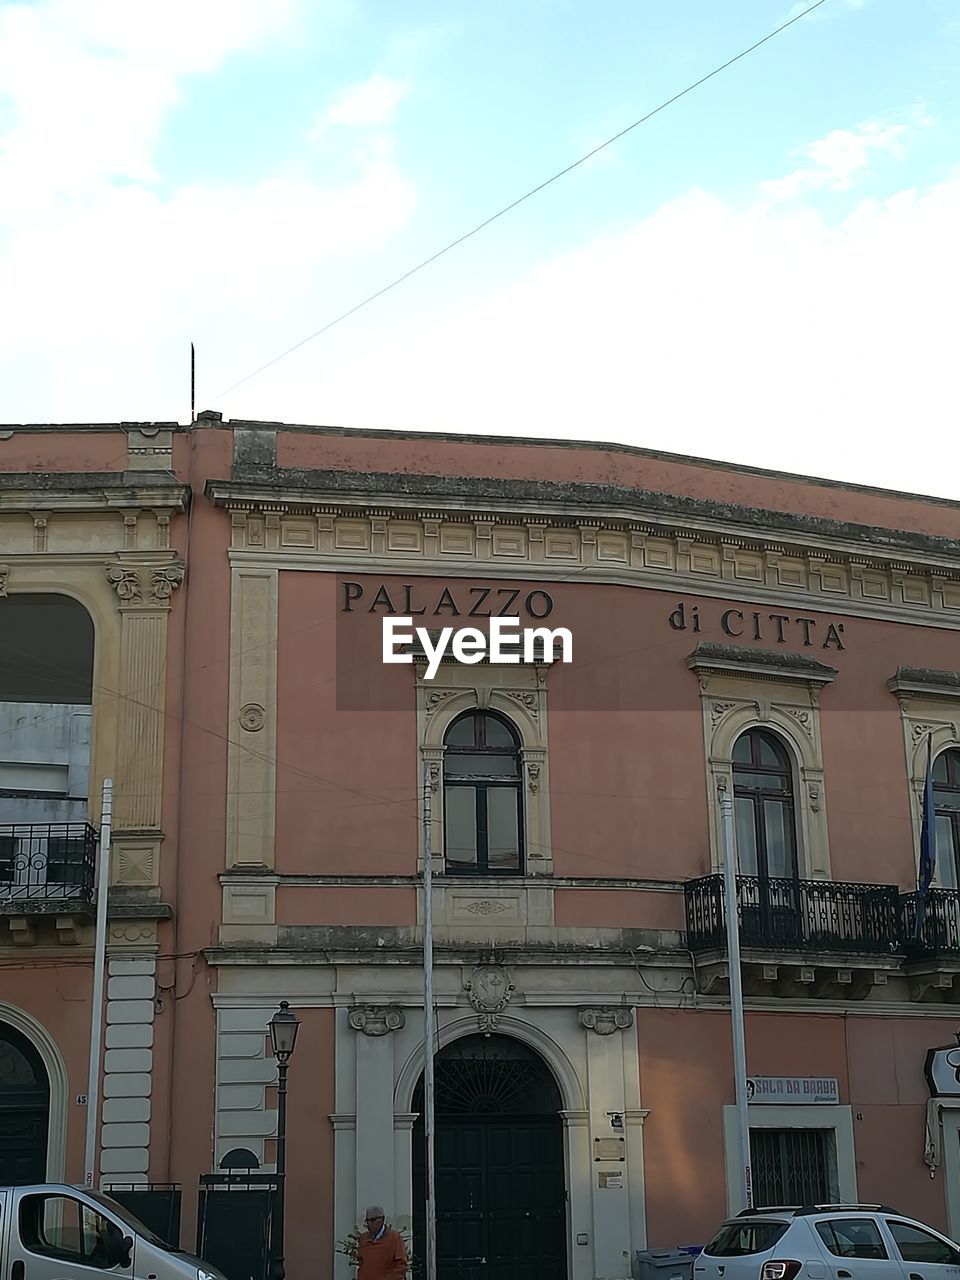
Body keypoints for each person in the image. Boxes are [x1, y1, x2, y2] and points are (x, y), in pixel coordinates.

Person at [357, 1206, 408, 1280]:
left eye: (373, 1220)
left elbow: (401, 1265)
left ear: (382, 1219)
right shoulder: (364, 1239)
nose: (369, 1224)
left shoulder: (394, 1238)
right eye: (367, 1221)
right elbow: (361, 1263)